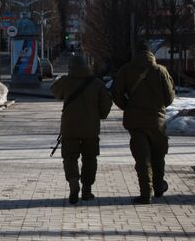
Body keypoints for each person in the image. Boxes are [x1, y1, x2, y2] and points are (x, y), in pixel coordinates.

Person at [112, 43, 175, 205]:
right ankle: (159, 187)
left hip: (136, 122)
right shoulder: (161, 71)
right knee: (158, 156)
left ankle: (146, 194)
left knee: (142, 159)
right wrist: (158, 107)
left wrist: (128, 106)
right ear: (150, 52)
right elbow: (169, 97)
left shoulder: (125, 70)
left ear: (135, 52)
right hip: (157, 122)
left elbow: (116, 93)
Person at [52, 55, 113, 204]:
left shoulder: (66, 82)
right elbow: (106, 104)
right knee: (90, 158)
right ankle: (87, 190)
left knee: (70, 157)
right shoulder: (97, 83)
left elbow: (54, 92)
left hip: (69, 128)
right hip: (91, 129)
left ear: (71, 67)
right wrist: (101, 114)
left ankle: (73, 182)